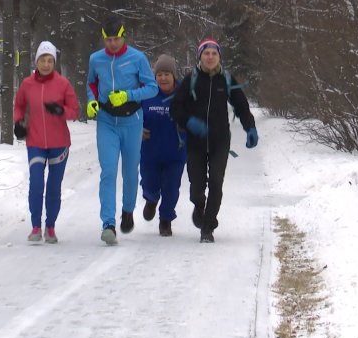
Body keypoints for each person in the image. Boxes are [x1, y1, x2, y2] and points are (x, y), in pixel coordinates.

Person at [170, 38, 259, 243]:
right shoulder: (191, 79)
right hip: (196, 142)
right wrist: (189, 121)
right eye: (206, 53)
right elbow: (175, 108)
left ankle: (208, 228)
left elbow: (241, 106)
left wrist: (250, 127)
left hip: (220, 141)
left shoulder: (226, 79)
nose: (210, 57)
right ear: (200, 56)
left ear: (219, 57)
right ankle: (199, 205)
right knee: (197, 188)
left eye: (214, 53)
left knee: (216, 183)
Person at [86, 17, 158, 245]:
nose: (112, 44)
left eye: (116, 39)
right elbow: (91, 84)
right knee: (108, 171)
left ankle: (127, 210)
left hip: (132, 121)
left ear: (123, 36)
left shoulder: (137, 58)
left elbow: (152, 88)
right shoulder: (95, 59)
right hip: (107, 121)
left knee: (129, 171)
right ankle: (108, 223)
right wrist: (91, 101)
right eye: (108, 40)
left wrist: (128, 95)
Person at [13, 40, 80, 243]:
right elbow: (19, 106)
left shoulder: (63, 84)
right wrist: (18, 123)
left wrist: (61, 111)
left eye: (50, 60)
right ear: (37, 61)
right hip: (35, 142)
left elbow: (75, 111)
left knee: (53, 186)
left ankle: (50, 226)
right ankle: (35, 226)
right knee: (36, 184)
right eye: (43, 60)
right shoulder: (27, 84)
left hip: (59, 143)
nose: (46, 64)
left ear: (54, 63)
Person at [140, 54, 187, 237]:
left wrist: (187, 122)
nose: (163, 78)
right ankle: (151, 199)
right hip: (150, 152)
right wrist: (137, 129)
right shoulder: (147, 92)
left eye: (167, 73)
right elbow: (133, 115)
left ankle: (166, 219)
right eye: (159, 74)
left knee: (171, 187)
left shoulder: (183, 93)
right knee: (149, 183)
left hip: (176, 152)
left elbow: (195, 113)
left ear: (174, 75)